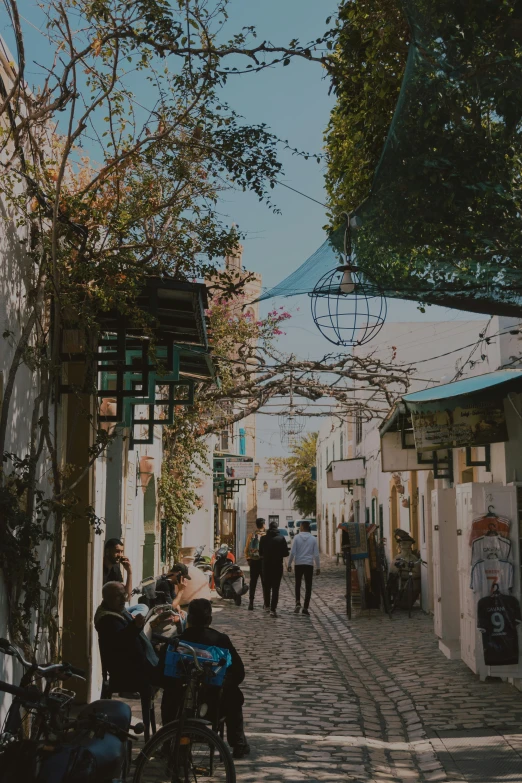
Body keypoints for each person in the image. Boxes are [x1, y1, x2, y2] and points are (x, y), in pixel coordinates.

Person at [162, 598, 250, 759]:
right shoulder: (221, 640)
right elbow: (238, 672)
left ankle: (166, 744)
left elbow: (162, 671)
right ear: (209, 620)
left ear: (189, 619)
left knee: (169, 692)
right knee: (233, 694)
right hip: (212, 704)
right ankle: (238, 742)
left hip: (179, 703)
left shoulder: (178, 640)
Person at [94, 581, 161, 694]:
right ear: (107, 598)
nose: (123, 600)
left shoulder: (117, 610)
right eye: (118, 596)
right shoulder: (107, 619)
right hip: (128, 671)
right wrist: (135, 625)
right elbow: (121, 642)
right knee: (171, 678)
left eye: (123, 595)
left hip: (137, 663)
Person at [288, 520, 320, 615]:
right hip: (309, 564)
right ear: (308, 527)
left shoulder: (297, 538)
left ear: (301, 527)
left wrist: (289, 564)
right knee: (308, 586)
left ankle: (297, 602)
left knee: (298, 584)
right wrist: (318, 567)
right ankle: (305, 607)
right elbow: (316, 555)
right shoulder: (313, 539)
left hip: (298, 564)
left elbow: (293, 552)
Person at [259, 520, 289, 617]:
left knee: (266, 587)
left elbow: (260, 553)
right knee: (276, 588)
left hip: (266, 566)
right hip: (277, 567)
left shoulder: (263, 539)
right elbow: (286, 553)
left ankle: (267, 605)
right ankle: (273, 609)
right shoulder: (281, 538)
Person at [244, 518, 266, 611]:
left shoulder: (251, 535)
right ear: (263, 525)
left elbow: (246, 549)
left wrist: (248, 559)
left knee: (253, 582)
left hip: (253, 561)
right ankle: (266, 603)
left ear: (256, 525)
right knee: (265, 583)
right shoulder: (266, 536)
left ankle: (251, 603)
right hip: (263, 562)